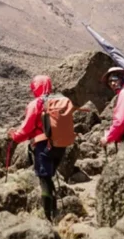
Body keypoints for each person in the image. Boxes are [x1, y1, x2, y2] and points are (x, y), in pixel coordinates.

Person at [8, 75, 75, 222]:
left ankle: (48, 216)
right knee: (49, 177)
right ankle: (54, 211)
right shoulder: (60, 100)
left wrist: (15, 136)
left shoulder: (36, 103)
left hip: (44, 146)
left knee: (44, 179)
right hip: (61, 145)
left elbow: (26, 129)